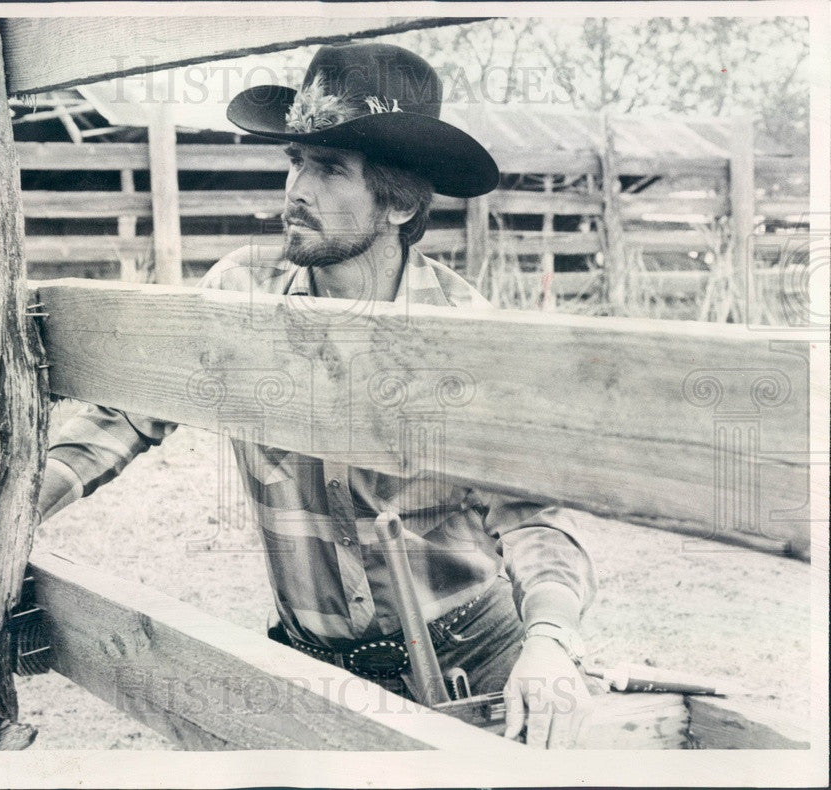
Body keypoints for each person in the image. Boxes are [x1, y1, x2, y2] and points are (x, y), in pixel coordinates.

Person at [38, 42, 596, 748]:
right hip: (308, 668)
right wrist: (24, 502)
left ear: (396, 201)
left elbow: (537, 518)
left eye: (328, 169)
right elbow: (127, 411)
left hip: (474, 662)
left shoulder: (466, 335)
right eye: (294, 161)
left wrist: (549, 640)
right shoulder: (242, 293)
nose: (295, 189)